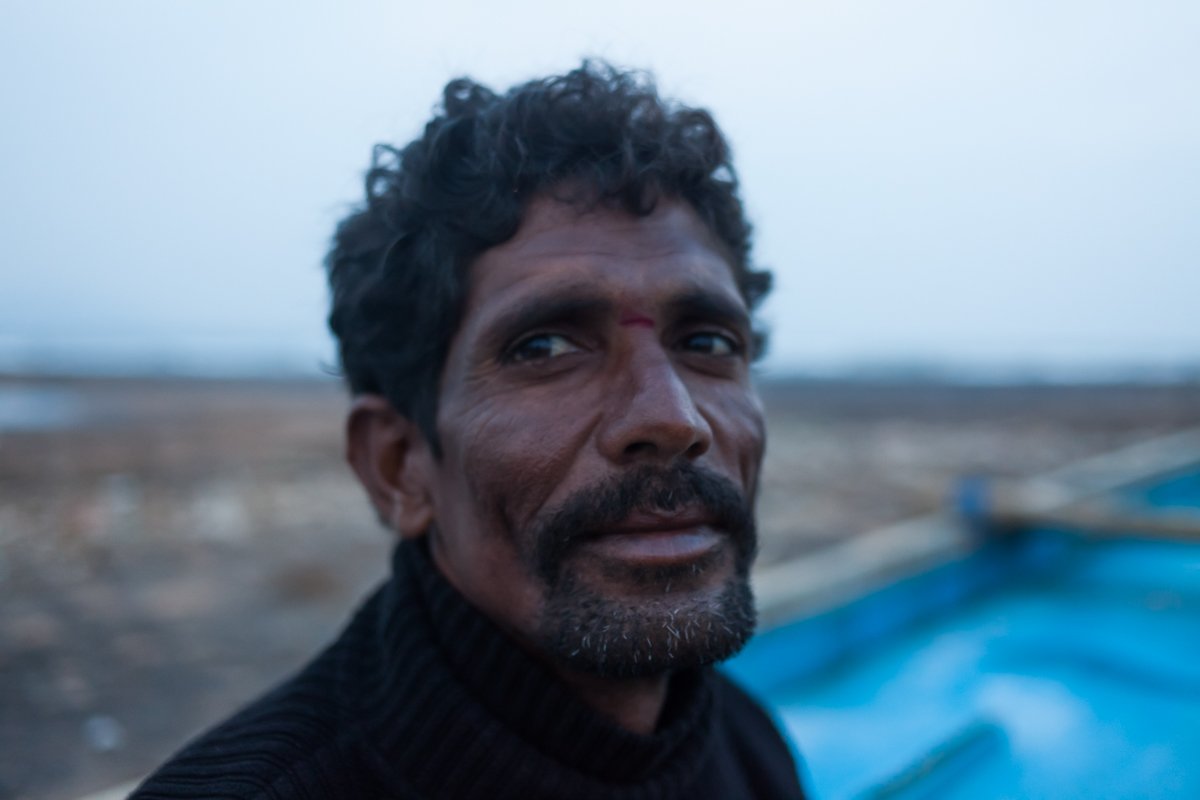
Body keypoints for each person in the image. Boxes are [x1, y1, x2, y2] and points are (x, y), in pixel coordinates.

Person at [133, 61, 807, 799]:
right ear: (399, 465)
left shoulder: (749, 751)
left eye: (708, 343)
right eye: (545, 347)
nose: (673, 418)